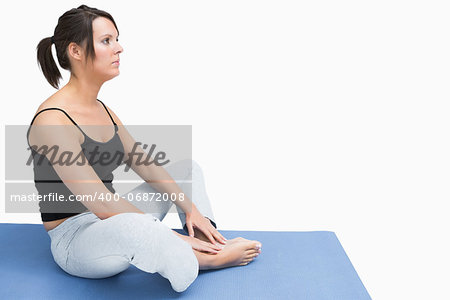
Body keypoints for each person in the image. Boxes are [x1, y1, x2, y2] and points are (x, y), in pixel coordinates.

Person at [27, 4, 262, 293]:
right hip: (76, 239)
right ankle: (205, 259)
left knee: (187, 170)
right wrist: (164, 233)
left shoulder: (103, 110)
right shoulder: (53, 120)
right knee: (137, 227)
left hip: (113, 219)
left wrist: (191, 209)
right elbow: (99, 202)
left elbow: (144, 163)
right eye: (106, 41)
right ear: (76, 51)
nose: (119, 48)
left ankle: (208, 239)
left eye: (116, 39)